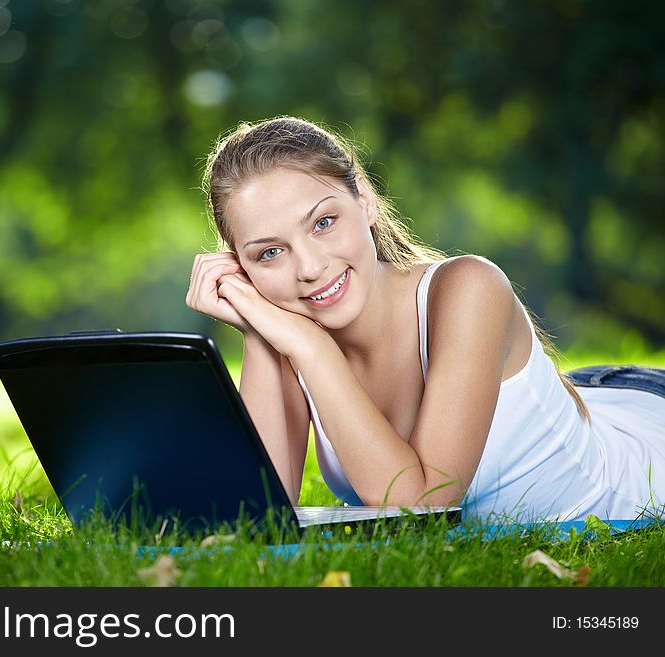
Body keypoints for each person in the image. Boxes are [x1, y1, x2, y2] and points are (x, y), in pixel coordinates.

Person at [185, 116, 665, 523]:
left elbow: (421, 504)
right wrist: (256, 330)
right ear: (241, 268)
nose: (309, 268)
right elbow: (261, 518)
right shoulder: (287, 331)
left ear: (365, 199)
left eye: (323, 223)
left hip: (644, 431)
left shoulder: (469, 288)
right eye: (269, 253)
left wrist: (313, 350)